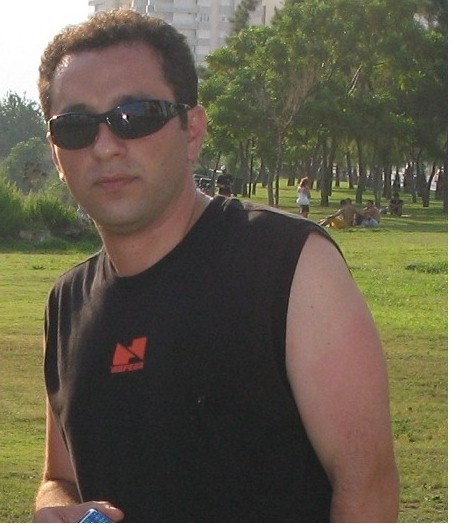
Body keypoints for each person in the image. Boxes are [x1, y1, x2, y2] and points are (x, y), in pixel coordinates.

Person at [34, 10, 399, 523]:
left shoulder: (290, 265)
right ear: (56, 154)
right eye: (75, 127)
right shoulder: (66, 301)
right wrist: (55, 509)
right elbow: (59, 478)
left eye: (134, 115)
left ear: (192, 131)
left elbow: (367, 488)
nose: (106, 146)